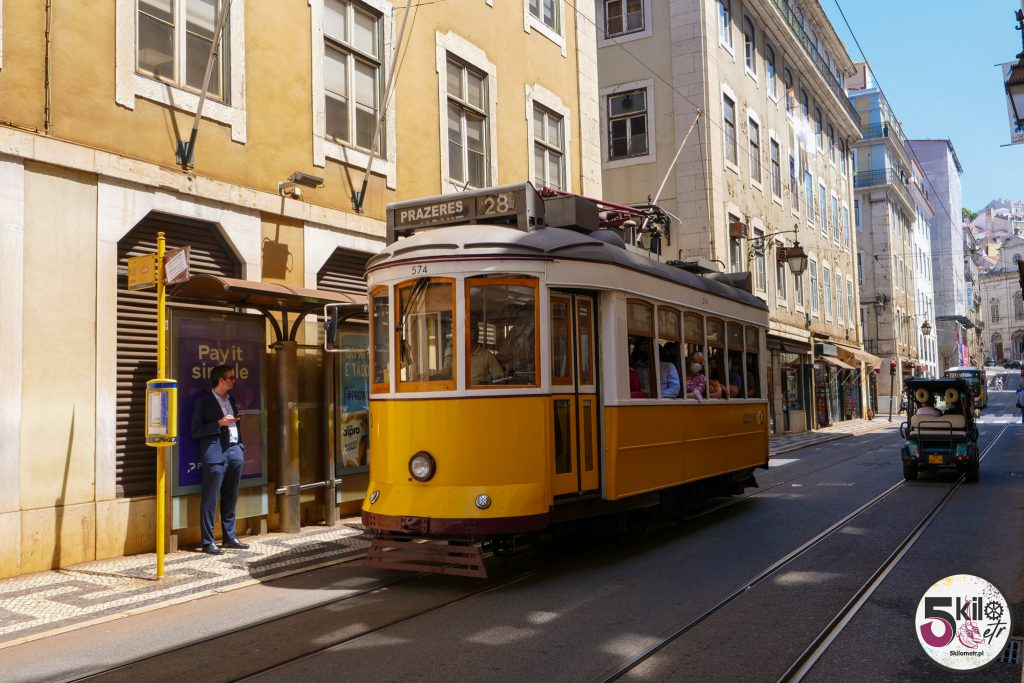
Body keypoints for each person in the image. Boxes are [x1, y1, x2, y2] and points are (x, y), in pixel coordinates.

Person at [190, 364, 250, 555]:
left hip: (235, 452)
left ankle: (229, 537)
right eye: (230, 377)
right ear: (221, 380)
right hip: (215, 454)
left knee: (231, 496)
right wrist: (219, 423)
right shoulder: (203, 402)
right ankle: (208, 541)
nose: (234, 380)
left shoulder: (231, 399)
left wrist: (240, 447)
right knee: (210, 498)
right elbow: (195, 430)